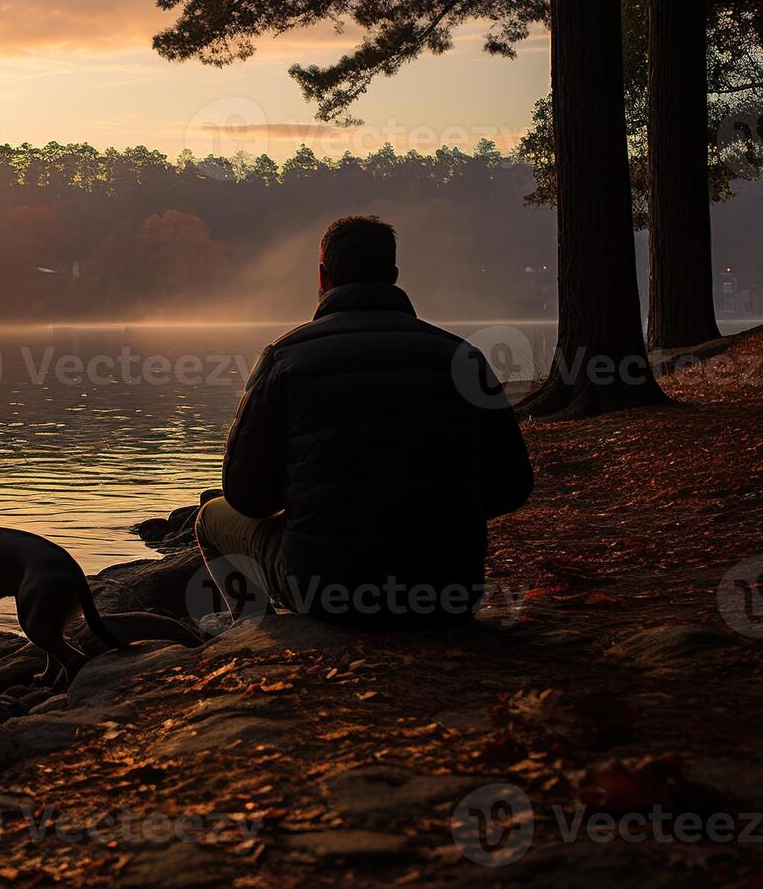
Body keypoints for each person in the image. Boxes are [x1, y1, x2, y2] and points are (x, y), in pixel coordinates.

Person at [196, 216, 534, 625]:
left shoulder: (284, 357)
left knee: (209, 517)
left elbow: (246, 497)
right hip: (448, 590)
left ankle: (253, 630)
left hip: (325, 592)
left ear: (322, 277)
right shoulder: (461, 356)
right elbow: (513, 486)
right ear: (393, 276)